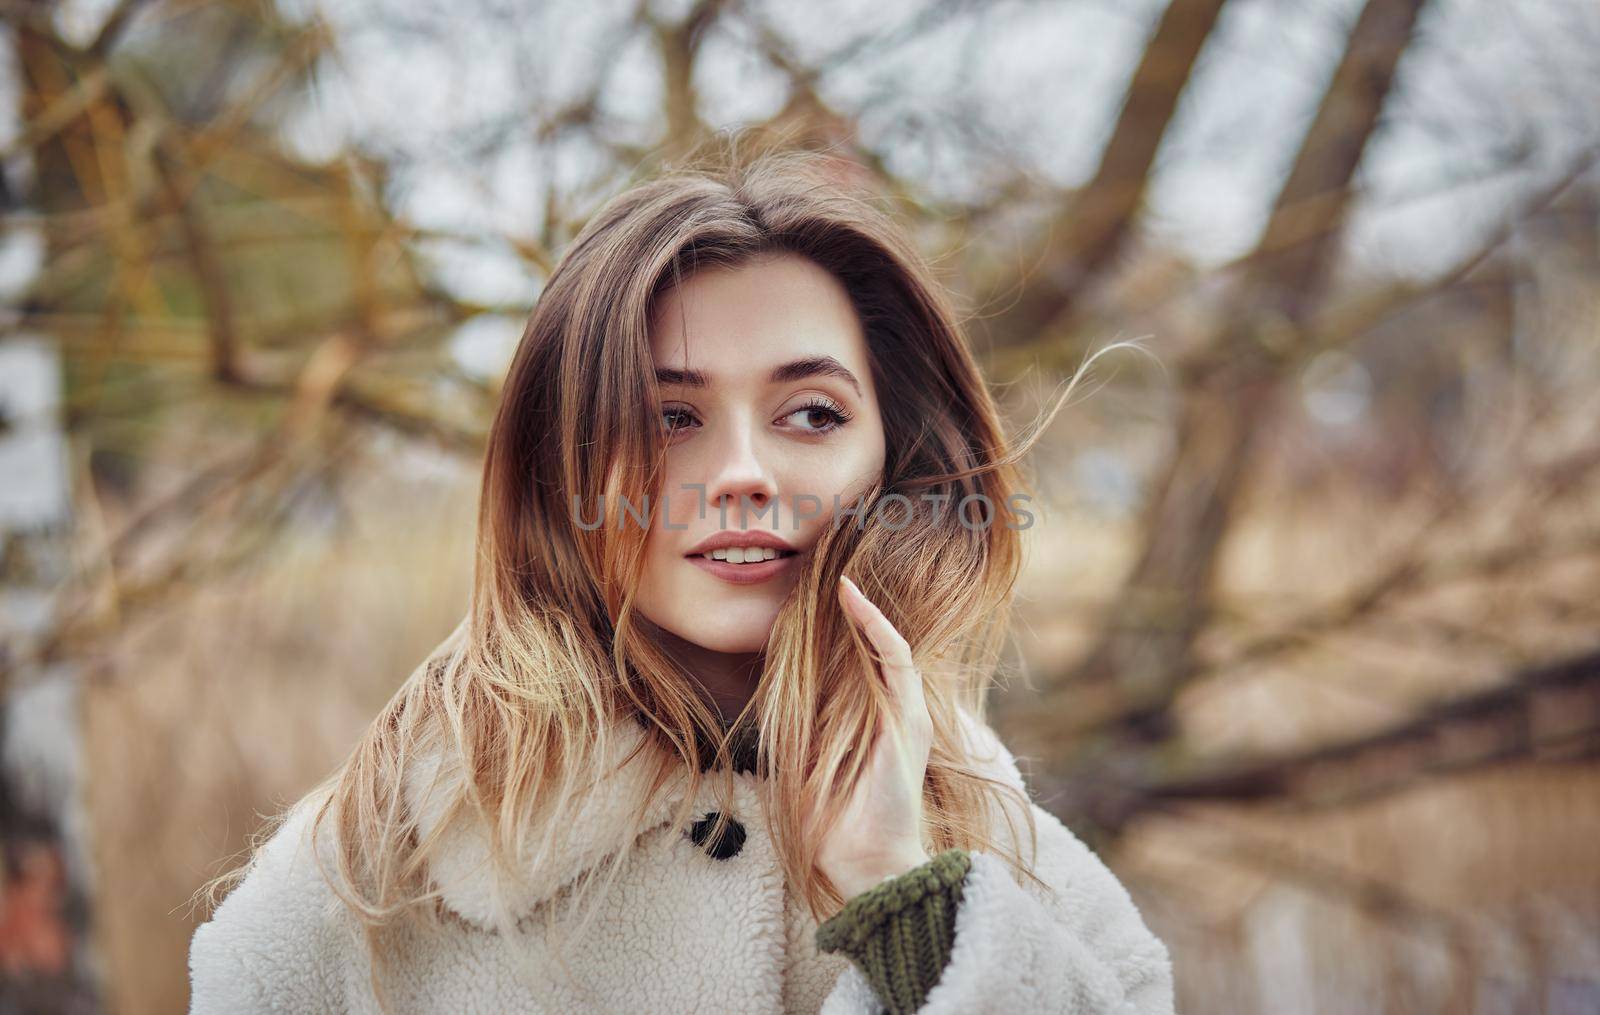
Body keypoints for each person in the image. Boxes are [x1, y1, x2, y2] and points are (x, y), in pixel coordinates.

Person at [186, 144, 1175, 1014]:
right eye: (669, 417)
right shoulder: (364, 884)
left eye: (813, 414)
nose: (744, 472)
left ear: (897, 455)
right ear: (559, 464)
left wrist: (903, 906)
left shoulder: (1034, 890)